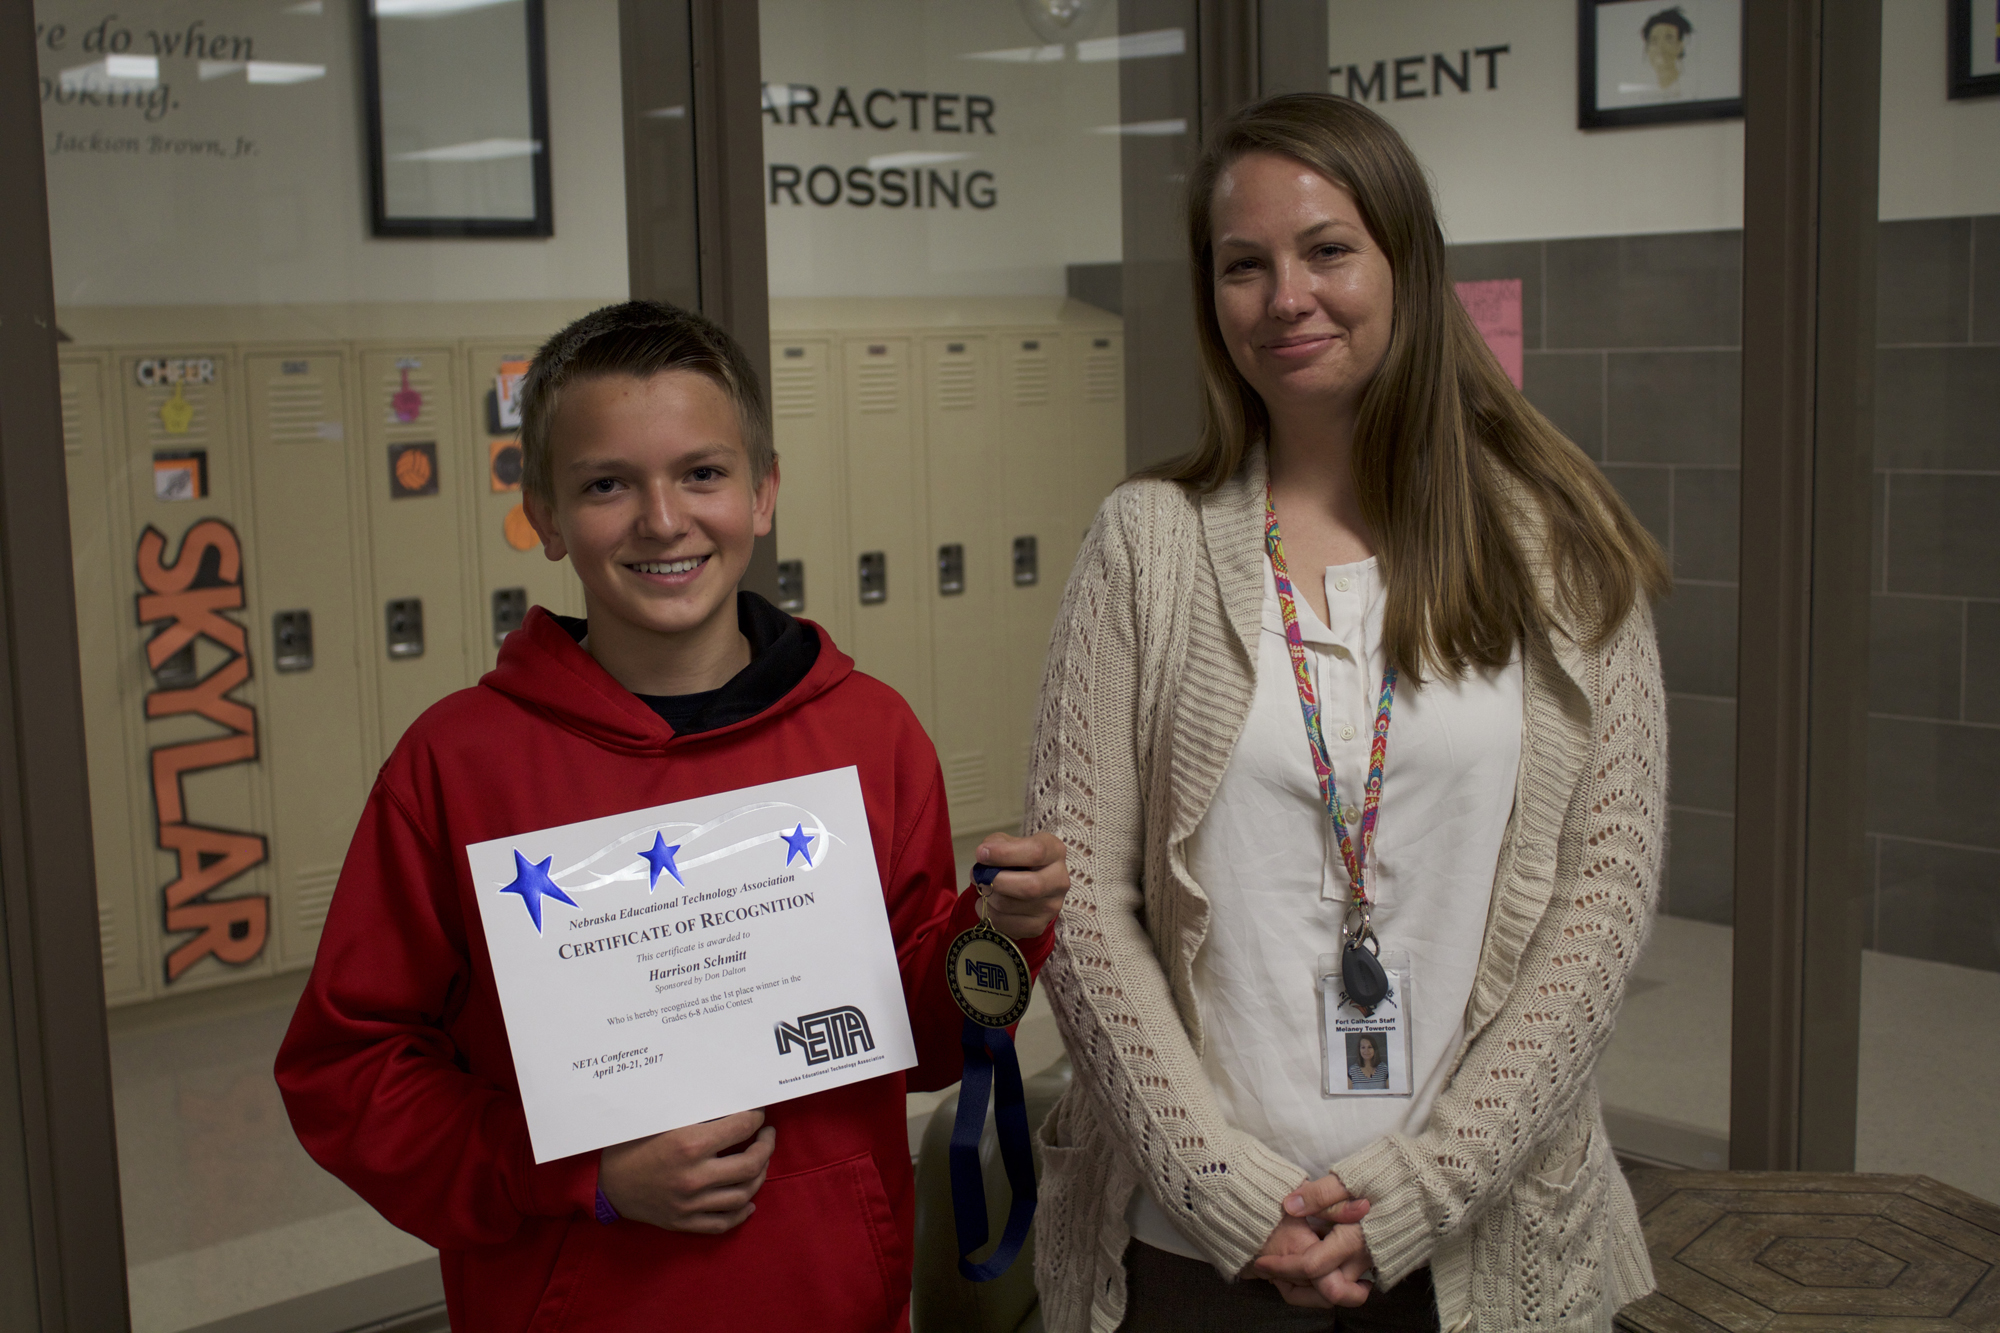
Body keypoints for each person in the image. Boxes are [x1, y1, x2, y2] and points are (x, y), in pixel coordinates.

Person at [274, 300, 1069, 1333]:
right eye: (606, 484)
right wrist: (579, 1174)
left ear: (763, 492)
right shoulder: (458, 765)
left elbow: (917, 1038)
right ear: (545, 516)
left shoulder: (869, 734)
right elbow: (346, 1073)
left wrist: (997, 934)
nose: (661, 519)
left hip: (832, 1300)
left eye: (701, 473)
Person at [1028, 94, 1669, 1332]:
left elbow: (1603, 895)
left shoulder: (1558, 544)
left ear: (1404, 263)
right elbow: (1084, 900)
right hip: (1191, 1236)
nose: (1286, 297)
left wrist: (1426, 1188)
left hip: (1481, 1229)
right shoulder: (1144, 544)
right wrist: (1219, 1188)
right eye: (1242, 265)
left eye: (1326, 249)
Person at [1642, 6, 1693, 94]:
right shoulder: (1644, 88)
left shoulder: (1689, 86)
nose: (1660, 48)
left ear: (1680, 46)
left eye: (1668, 39)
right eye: (1654, 40)